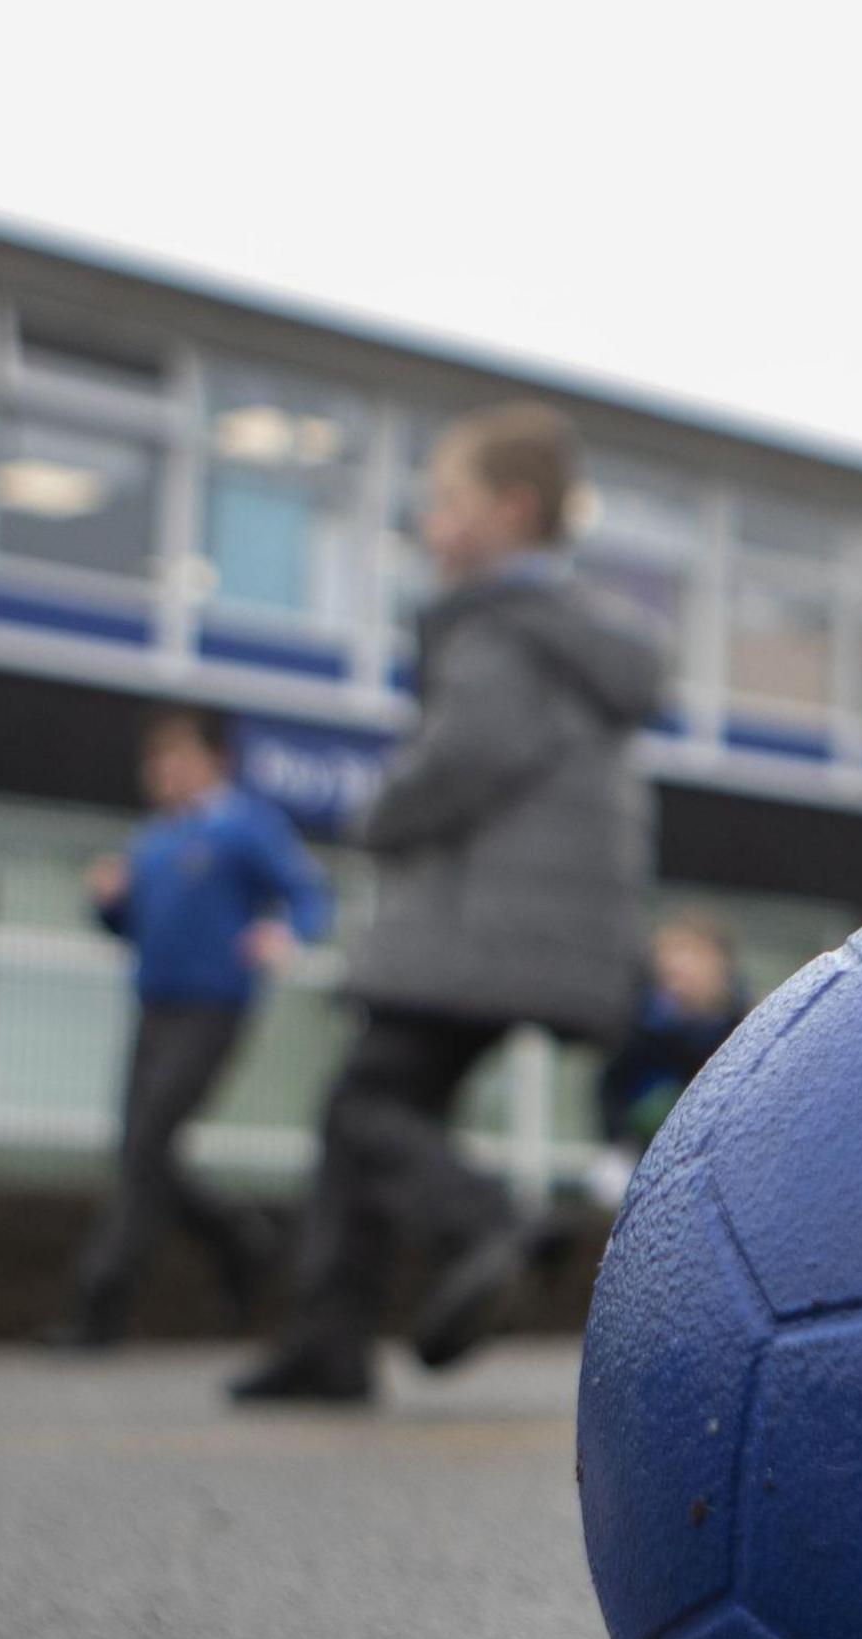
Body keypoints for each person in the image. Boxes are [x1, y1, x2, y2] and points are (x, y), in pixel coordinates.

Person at [229, 402, 662, 1405]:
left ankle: (480, 1224)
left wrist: (378, 812)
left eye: (447, 502)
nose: (431, 525)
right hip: (540, 929)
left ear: (511, 513)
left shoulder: (501, 629)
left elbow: (465, 755)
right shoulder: (580, 640)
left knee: (365, 1102)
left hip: (477, 926)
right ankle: (328, 1343)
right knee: (369, 1113)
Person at [47, 705, 328, 1349]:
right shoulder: (153, 841)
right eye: (156, 760)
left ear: (214, 761)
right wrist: (107, 902)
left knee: (147, 1143)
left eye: (175, 757)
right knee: (139, 1153)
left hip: (214, 1009)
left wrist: (286, 931)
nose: (161, 772)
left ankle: (98, 1310)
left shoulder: (244, 828)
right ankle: (242, 1240)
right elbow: (129, 927)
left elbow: (308, 893)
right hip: (154, 1008)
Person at [586, 913, 750, 1205]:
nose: (677, 973)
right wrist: (619, 1145)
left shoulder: (746, 1031)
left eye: (691, 957)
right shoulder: (639, 1030)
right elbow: (610, 1091)